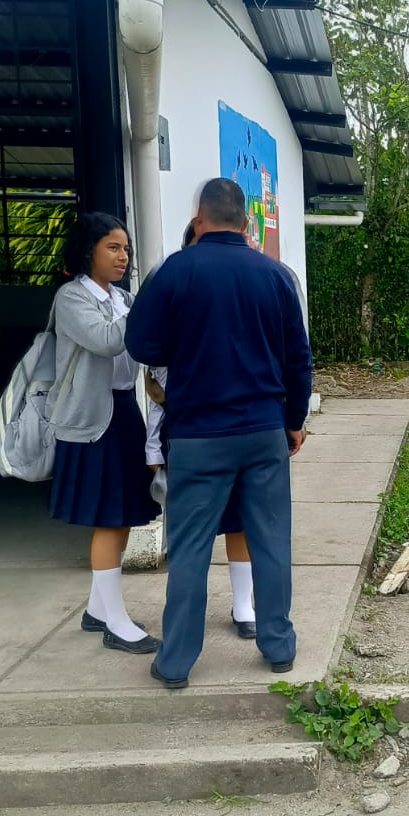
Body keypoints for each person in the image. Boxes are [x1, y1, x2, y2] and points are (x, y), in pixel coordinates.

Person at [126, 178, 313, 689]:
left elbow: (140, 344)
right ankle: (278, 646)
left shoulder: (174, 271)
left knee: (189, 549)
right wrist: (294, 421)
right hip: (263, 431)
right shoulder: (276, 275)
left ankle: (176, 662)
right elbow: (298, 358)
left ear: (198, 218)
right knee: (270, 540)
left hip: (198, 434)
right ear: (246, 222)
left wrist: (186, 345)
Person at [47, 212, 162, 655]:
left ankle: (98, 609)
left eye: (126, 248)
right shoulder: (71, 298)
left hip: (123, 411)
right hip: (91, 422)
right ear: (88, 250)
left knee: (125, 513)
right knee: (110, 519)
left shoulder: (123, 298)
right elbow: (109, 340)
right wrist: (149, 303)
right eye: (113, 247)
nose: (123, 256)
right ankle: (116, 622)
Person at [142, 220, 258, 639]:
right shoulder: (173, 305)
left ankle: (244, 606)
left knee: (240, 521)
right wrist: (153, 450)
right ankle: (187, 619)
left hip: (239, 429)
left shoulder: (242, 298)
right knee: (192, 531)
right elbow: (156, 390)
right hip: (188, 435)